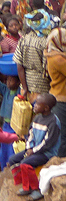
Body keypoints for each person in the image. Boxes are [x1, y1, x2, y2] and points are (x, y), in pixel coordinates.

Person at [9, 93, 60, 201]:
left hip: (46, 153)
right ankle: (24, 183)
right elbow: (30, 134)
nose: (34, 106)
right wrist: (28, 147)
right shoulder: (37, 118)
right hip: (34, 149)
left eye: (37, 104)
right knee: (12, 160)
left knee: (25, 163)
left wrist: (34, 151)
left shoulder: (53, 122)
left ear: (46, 108)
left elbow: (48, 143)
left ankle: (36, 188)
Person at [14, 7, 51, 104]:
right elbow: (48, 68)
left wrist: (25, 87)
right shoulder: (46, 41)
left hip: (26, 85)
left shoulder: (23, 39)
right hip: (42, 86)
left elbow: (19, 65)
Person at [0, 69, 20, 169]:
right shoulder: (5, 90)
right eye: (7, 80)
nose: (8, 82)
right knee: (4, 151)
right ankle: (3, 169)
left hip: (15, 127)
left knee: (13, 150)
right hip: (5, 125)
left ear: (18, 82)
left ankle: (12, 169)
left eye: (11, 80)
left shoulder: (20, 93)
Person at [45, 28, 66, 158]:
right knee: (62, 135)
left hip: (57, 96)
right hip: (61, 99)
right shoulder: (58, 59)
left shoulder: (52, 53)